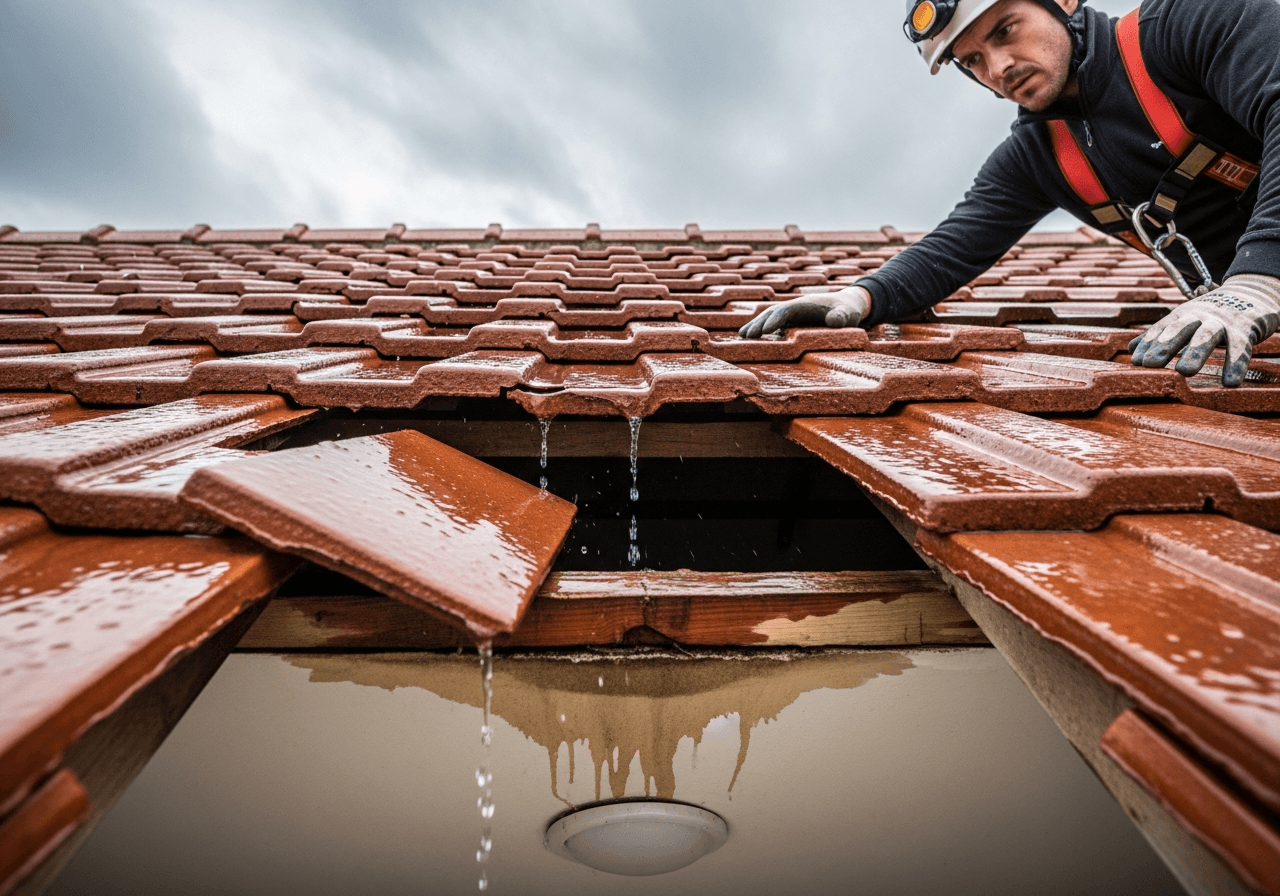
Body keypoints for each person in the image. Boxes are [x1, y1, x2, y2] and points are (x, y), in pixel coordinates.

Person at [738, 0, 1280, 387]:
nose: (997, 70)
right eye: (971, 61)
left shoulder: (1192, 25)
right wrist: (859, 298)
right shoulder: (1040, 155)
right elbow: (954, 247)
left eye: (1004, 30)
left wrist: (1259, 278)